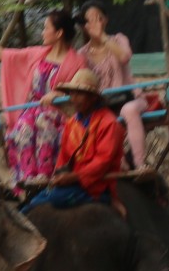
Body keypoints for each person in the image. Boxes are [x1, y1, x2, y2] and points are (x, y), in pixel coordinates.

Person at [0, 7, 85, 186]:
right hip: (32, 110)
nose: (42, 32)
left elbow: (82, 89)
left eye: (46, 28)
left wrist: (60, 93)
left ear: (59, 33)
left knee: (42, 120)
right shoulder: (38, 54)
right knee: (23, 126)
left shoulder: (77, 61)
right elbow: (5, 55)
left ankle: (46, 174)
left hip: (59, 114)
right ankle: (27, 176)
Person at [30, 68, 124, 209]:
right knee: (33, 202)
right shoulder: (71, 123)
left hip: (97, 183)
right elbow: (64, 156)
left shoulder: (109, 123)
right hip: (73, 182)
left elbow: (103, 161)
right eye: (72, 93)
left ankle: (106, 199)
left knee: (54, 200)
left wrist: (73, 177)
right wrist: (59, 175)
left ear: (93, 98)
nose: (73, 98)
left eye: (79, 94)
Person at [79, 0, 150, 172]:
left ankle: (140, 163)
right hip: (104, 104)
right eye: (91, 20)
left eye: (99, 18)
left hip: (130, 97)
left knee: (128, 110)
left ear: (106, 20)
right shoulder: (82, 54)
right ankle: (116, 162)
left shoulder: (118, 39)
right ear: (84, 26)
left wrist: (102, 38)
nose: (96, 23)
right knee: (95, 119)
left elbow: (124, 57)